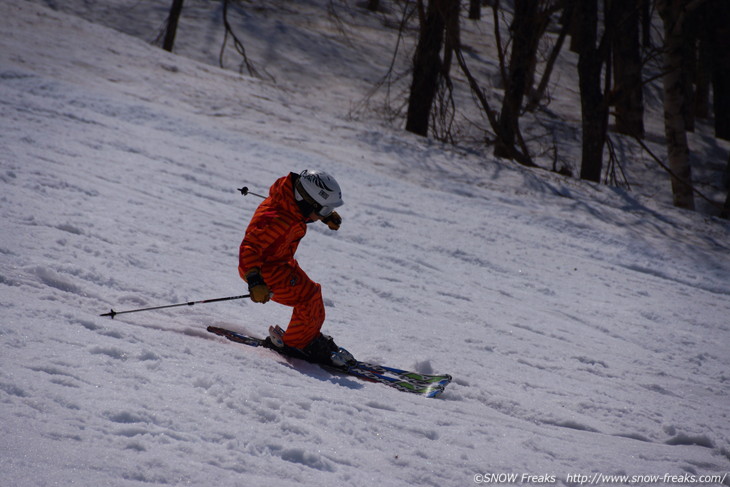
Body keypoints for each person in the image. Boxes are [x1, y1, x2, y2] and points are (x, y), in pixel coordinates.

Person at [238, 169, 354, 367]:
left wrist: (325, 216)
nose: (323, 215)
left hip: (280, 261)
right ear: (306, 202)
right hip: (262, 270)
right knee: (308, 297)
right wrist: (255, 280)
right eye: (323, 210)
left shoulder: (292, 204)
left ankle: (307, 337)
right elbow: (250, 248)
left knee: (311, 295)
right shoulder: (275, 218)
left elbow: (302, 213)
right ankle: (299, 344)